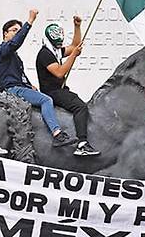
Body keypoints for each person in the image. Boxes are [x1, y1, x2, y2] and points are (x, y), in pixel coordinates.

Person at [0, 9, 77, 147]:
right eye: (14, 30)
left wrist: (30, 85)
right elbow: (15, 43)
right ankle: (57, 133)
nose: (17, 33)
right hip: (12, 90)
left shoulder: (14, 56)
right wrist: (30, 21)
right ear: (5, 33)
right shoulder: (2, 49)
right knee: (46, 100)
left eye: (18, 30)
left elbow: (20, 75)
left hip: (19, 87)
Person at [36, 18, 100, 157]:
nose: (61, 46)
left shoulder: (55, 51)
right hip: (52, 92)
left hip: (61, 89)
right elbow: (59, 72)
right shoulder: (45, 54)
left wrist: (77, 26)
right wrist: (73, 56)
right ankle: (82, 143)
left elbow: (75, 45)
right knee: (80, 106)